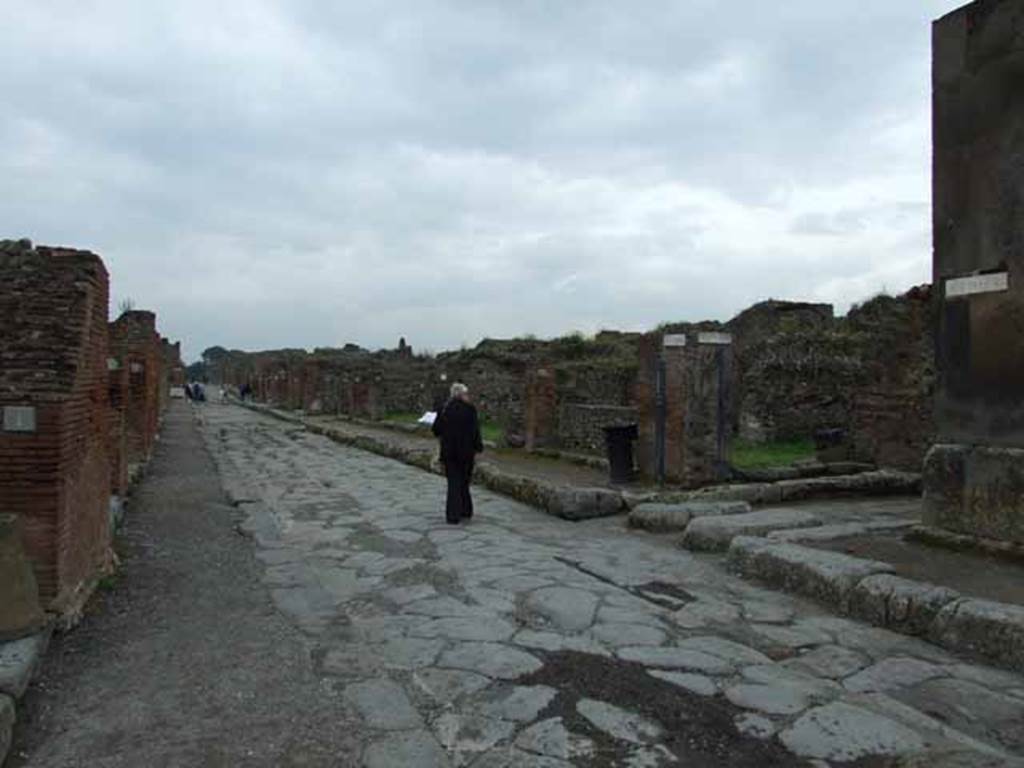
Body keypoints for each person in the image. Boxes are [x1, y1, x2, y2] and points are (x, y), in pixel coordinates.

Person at [432, 382, 483, 524]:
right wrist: (478, 448)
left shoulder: (444, 409)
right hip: (466, 452)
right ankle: (466, 510)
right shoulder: (470, 409)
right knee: (464, 481)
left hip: (449, 452)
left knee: (453, 482)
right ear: (461, 395)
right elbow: (475, 431)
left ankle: (453, 514)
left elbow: (436, 430)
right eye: (466, 394)